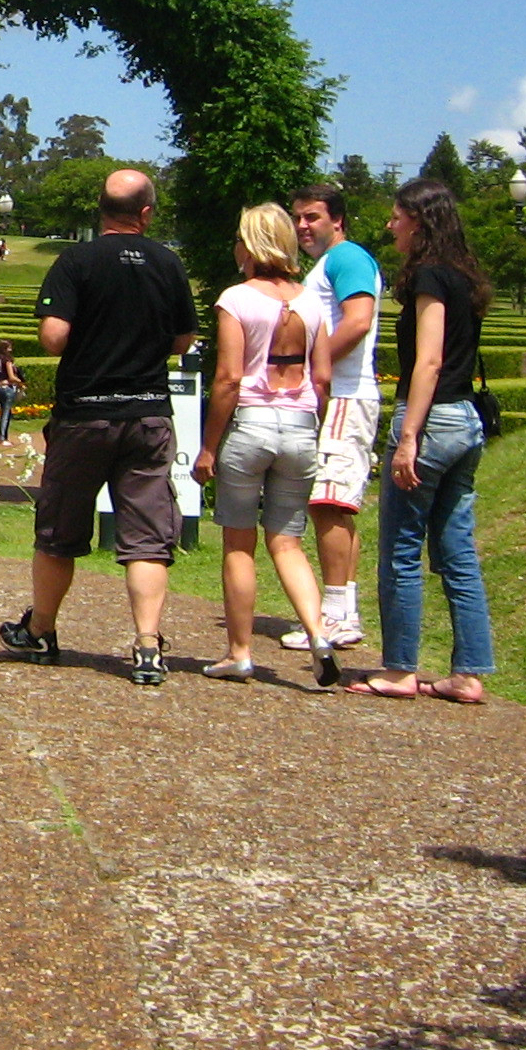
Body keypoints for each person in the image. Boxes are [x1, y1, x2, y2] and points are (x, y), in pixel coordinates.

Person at [0, 170, 199, 686]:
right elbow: (182, 341)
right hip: (148, 413)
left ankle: (41, 630)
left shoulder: (76, 261)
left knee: (59, 530)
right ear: (147, 212)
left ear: (100, 209)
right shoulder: (168, 262)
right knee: (148, 538)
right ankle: (148, 645)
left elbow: (53, 338)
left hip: (84, 413)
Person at [350, 179, 496, 705]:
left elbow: (429, 360)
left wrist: (408, 435)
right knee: (458, 553)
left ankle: (399, 669)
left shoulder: (430, 277)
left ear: (420, 220)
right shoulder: (465, 277)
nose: (390, 225)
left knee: (401, 550)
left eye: (396, 216)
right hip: (465, 422)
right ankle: (468, 672)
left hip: (432, 420)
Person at [192, 204, 341, 688]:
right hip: (299, 425)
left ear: (250, 244)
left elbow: (229, 378)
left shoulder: (236, 298)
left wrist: (208, 447)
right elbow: (322, 376)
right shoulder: (312, 302)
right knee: (288, 541)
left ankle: (239, 651)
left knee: (239, 543)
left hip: (252, 424)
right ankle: (318, 633)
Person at [284, 184, 384, 652]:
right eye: (298, 218)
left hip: (345, 394)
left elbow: (359, 320)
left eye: (313, 217)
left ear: (338, 220)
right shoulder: (330, 264)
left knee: (330, 504)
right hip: (338, 395)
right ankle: (341, 609)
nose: (303, 226)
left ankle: (337, 616)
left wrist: (310, 368)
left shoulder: (348, 259)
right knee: (334, 506)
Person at [0, 339, 27, 445]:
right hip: (7, 387)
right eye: (9, 347)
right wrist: (21, 382)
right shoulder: (7, 360)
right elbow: (11, 377)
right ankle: (2, 438)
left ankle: (2, 437)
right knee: (6, 413)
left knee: (3, 412)